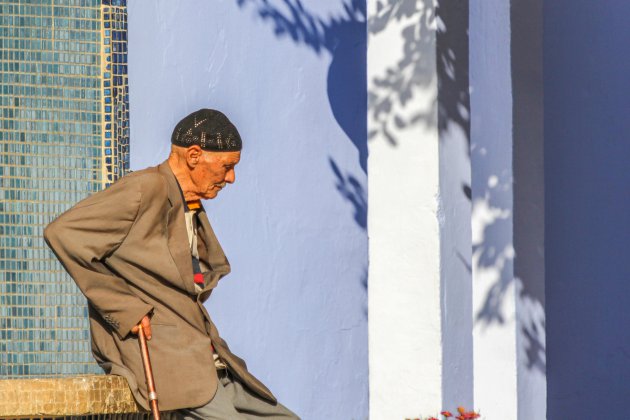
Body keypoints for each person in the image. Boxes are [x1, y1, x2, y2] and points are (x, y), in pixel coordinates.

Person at [44, 109, 299, 419]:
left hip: (207, 359)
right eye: (227, 167)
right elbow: (63, 233)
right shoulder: (145, 188)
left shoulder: (188, 204)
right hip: (168, 360)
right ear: (194, 155)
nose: (231, 178)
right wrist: (125, 308)